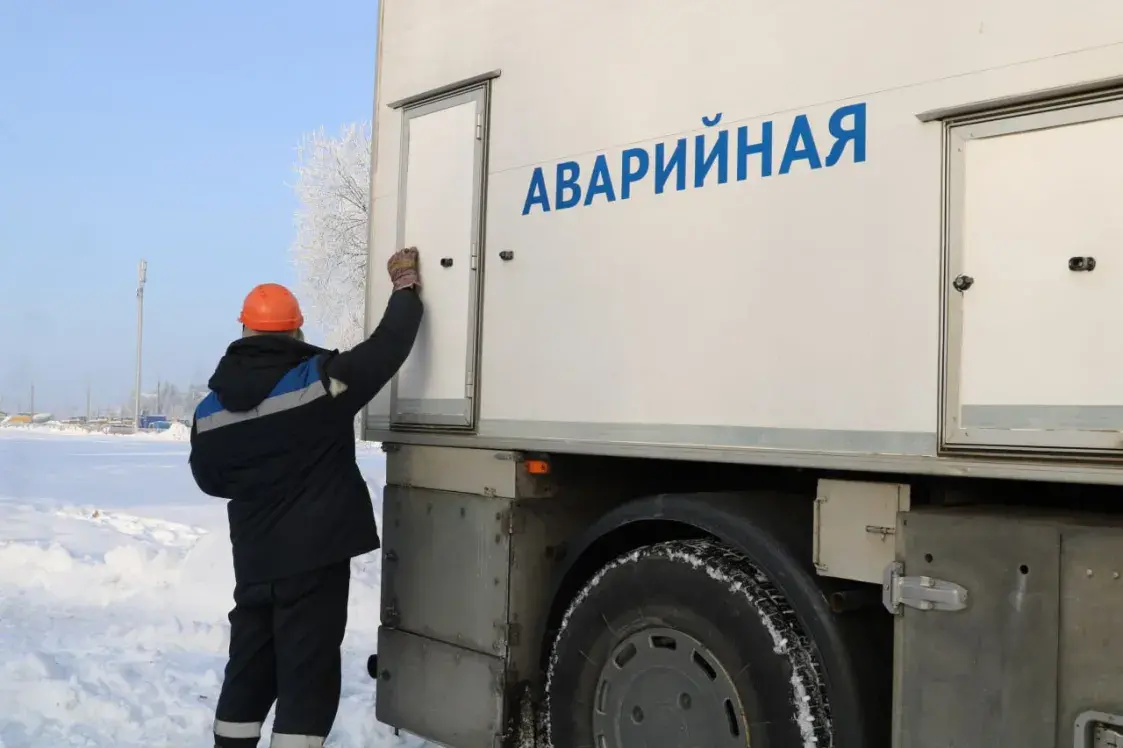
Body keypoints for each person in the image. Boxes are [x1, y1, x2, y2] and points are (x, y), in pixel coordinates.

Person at [189, 247, 424, 748]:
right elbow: (388, 348)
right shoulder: (320, 383)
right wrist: (404, 288)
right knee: (306, 673)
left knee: (249, 666)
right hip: (314, 561)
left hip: (254, 563)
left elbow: (208, 479)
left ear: (245, 332)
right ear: (295, 332)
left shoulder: (210, 409)